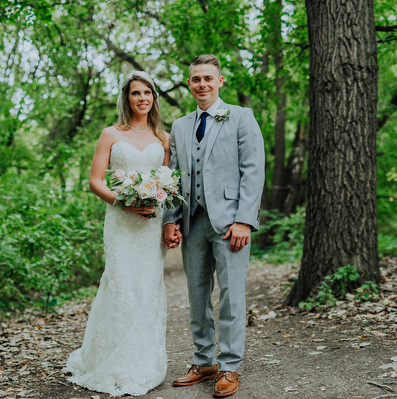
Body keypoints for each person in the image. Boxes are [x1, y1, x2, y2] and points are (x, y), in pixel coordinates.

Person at [63, 71, 177, 396]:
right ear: (126, 98)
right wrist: (124, 202)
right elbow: (95, 181)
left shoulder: (163, 138)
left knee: (148, 287)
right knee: (121, 286)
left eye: (148, 93)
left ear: (154, 98)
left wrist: (163, 215)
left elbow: (166, 184)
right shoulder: (110, 134)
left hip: (150, 224)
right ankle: (111, 360)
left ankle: (144, 363)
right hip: (120, 222)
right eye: (136, 93)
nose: (142, 98)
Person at [163, 54, 265, 397]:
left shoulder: (241, 117)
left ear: (220, 81)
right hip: (193, 225)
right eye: (196, 79)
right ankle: (204, 361)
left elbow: (253, 169)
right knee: (196, 297)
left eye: (208, 78)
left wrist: (244, 221)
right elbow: (173, 178)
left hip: (231, 224)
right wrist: (171, 220)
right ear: (189, 84)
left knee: (232, 298)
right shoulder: (179, 126)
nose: (202, 84)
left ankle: (230, 365)